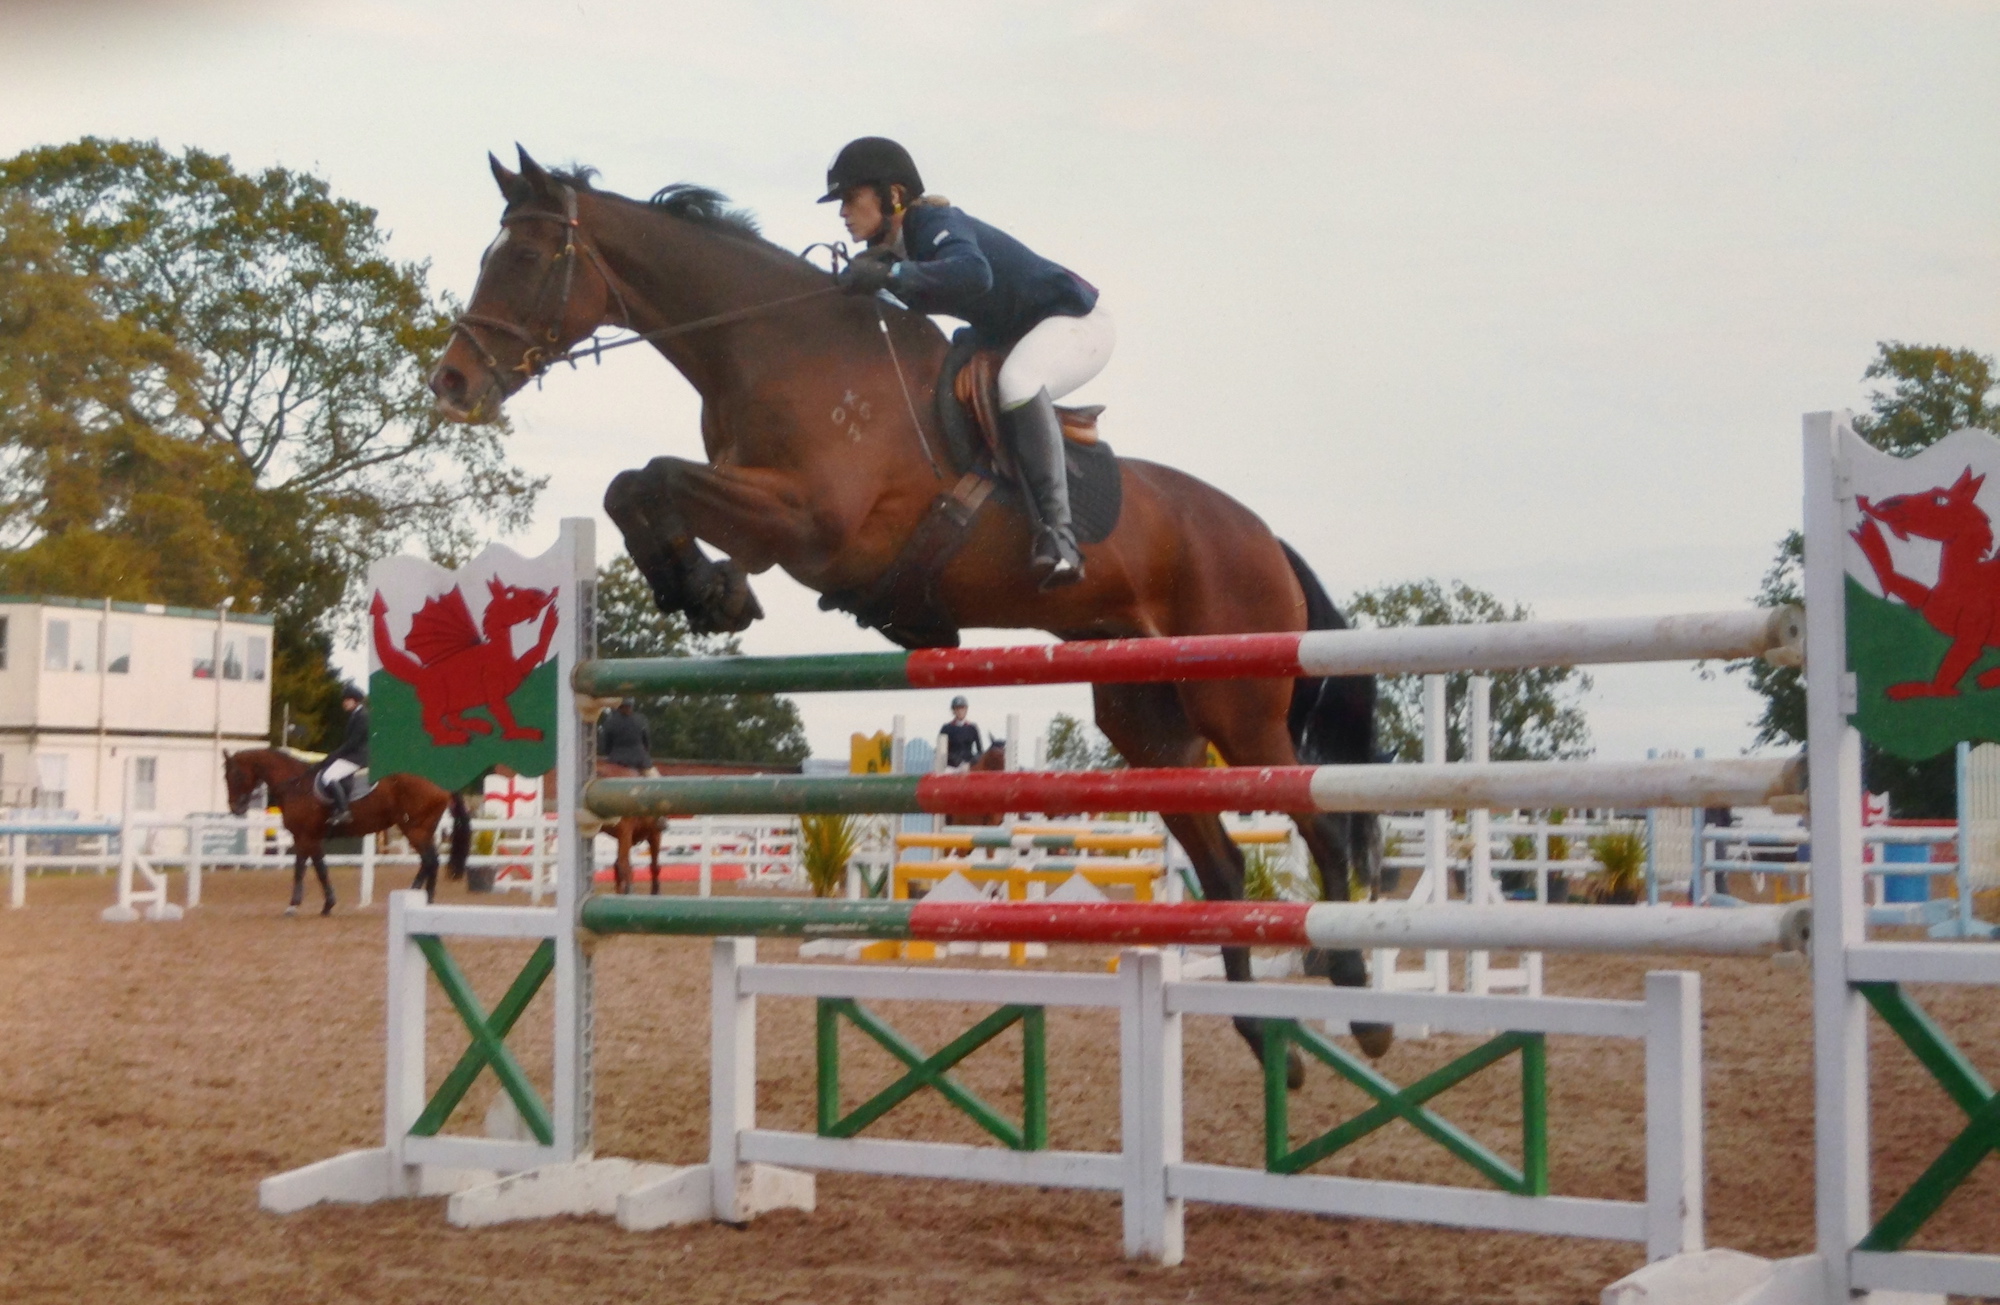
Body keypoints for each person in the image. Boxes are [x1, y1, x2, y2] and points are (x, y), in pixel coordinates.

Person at [822, 136, 1111, 590]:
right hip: (1008, 331)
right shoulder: (892, 249)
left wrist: (894, 275)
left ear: (893, 195)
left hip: (1073, 322)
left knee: (1018, 382)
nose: (842, 212)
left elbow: (975, 275)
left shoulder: (934, 220)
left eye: (850, 198)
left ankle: (1059, 537)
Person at [321, 683, 369, 828]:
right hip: (354, 755)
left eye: (347, 700)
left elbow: (353, 743)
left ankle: (343, 811)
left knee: (328, 777)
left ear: (355, 700)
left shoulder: (363, 716)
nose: (344, 703)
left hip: (358, 757)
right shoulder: (355, 715)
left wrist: (335, 754)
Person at [597, 699, 657, 776]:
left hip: (618, 762)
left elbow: (605, 746)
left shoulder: (610, 722)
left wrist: (612, 754)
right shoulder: (640, 719)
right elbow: (646, 742)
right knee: (656, 783)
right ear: (631, 706)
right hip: (642, 760)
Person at [934, 696, 986, 772]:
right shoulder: (946, 728)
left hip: (968, 765)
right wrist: (957, 761)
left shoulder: (972, 728)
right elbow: (940, 750)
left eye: (962, 708)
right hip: (951, 766)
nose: (960, 711)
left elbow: (980, 751)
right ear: (953, 711)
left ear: (966, 710)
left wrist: (970, 762)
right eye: (957, 709)